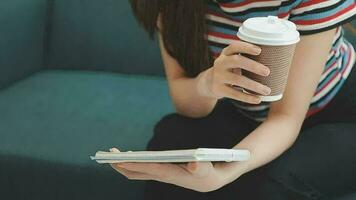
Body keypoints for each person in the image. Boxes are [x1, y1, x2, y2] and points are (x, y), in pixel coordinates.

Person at [111, 0, 356, 199]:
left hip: (338, 113)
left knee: (278, 179)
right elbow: (184, 100)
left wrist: (224, 173)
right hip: (250, 113)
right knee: (172, 142)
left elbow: (286, 119)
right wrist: (208, 84)